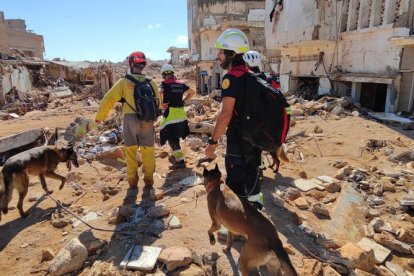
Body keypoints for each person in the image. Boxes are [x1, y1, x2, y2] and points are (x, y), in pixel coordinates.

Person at [205, 28, 264, 210]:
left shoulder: (231, 78)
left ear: (232, 54)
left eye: (221, 52)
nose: (218, 56)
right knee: (253, 174)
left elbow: (225, 115)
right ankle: (255, 211)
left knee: (236, 181)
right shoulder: (253, 76)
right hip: (255, 138)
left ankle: (237, 227)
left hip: (238, 139)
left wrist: (213, 142)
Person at [95, 51, 160, 188]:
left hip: (130, 120)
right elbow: (158, 103)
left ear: (131, 64)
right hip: (147, 121)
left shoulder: (124, 82)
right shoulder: (152, 82)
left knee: (130, 151)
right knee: (148, 151)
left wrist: (100, 117)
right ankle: (148, 181)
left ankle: (132, 183)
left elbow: (108, 99)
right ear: (143, 65)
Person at [159, 64, 195, 169]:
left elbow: (159, 92)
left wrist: (161, 104)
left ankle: (180, 162)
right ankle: (176, 157)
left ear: (163, 75)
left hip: (170, 115)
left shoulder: (164, 84)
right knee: (175, 138)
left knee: (172, 138)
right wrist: (184, 100)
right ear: (172, 73)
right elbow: (192, 92)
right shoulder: (180, 84)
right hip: (181, 115)